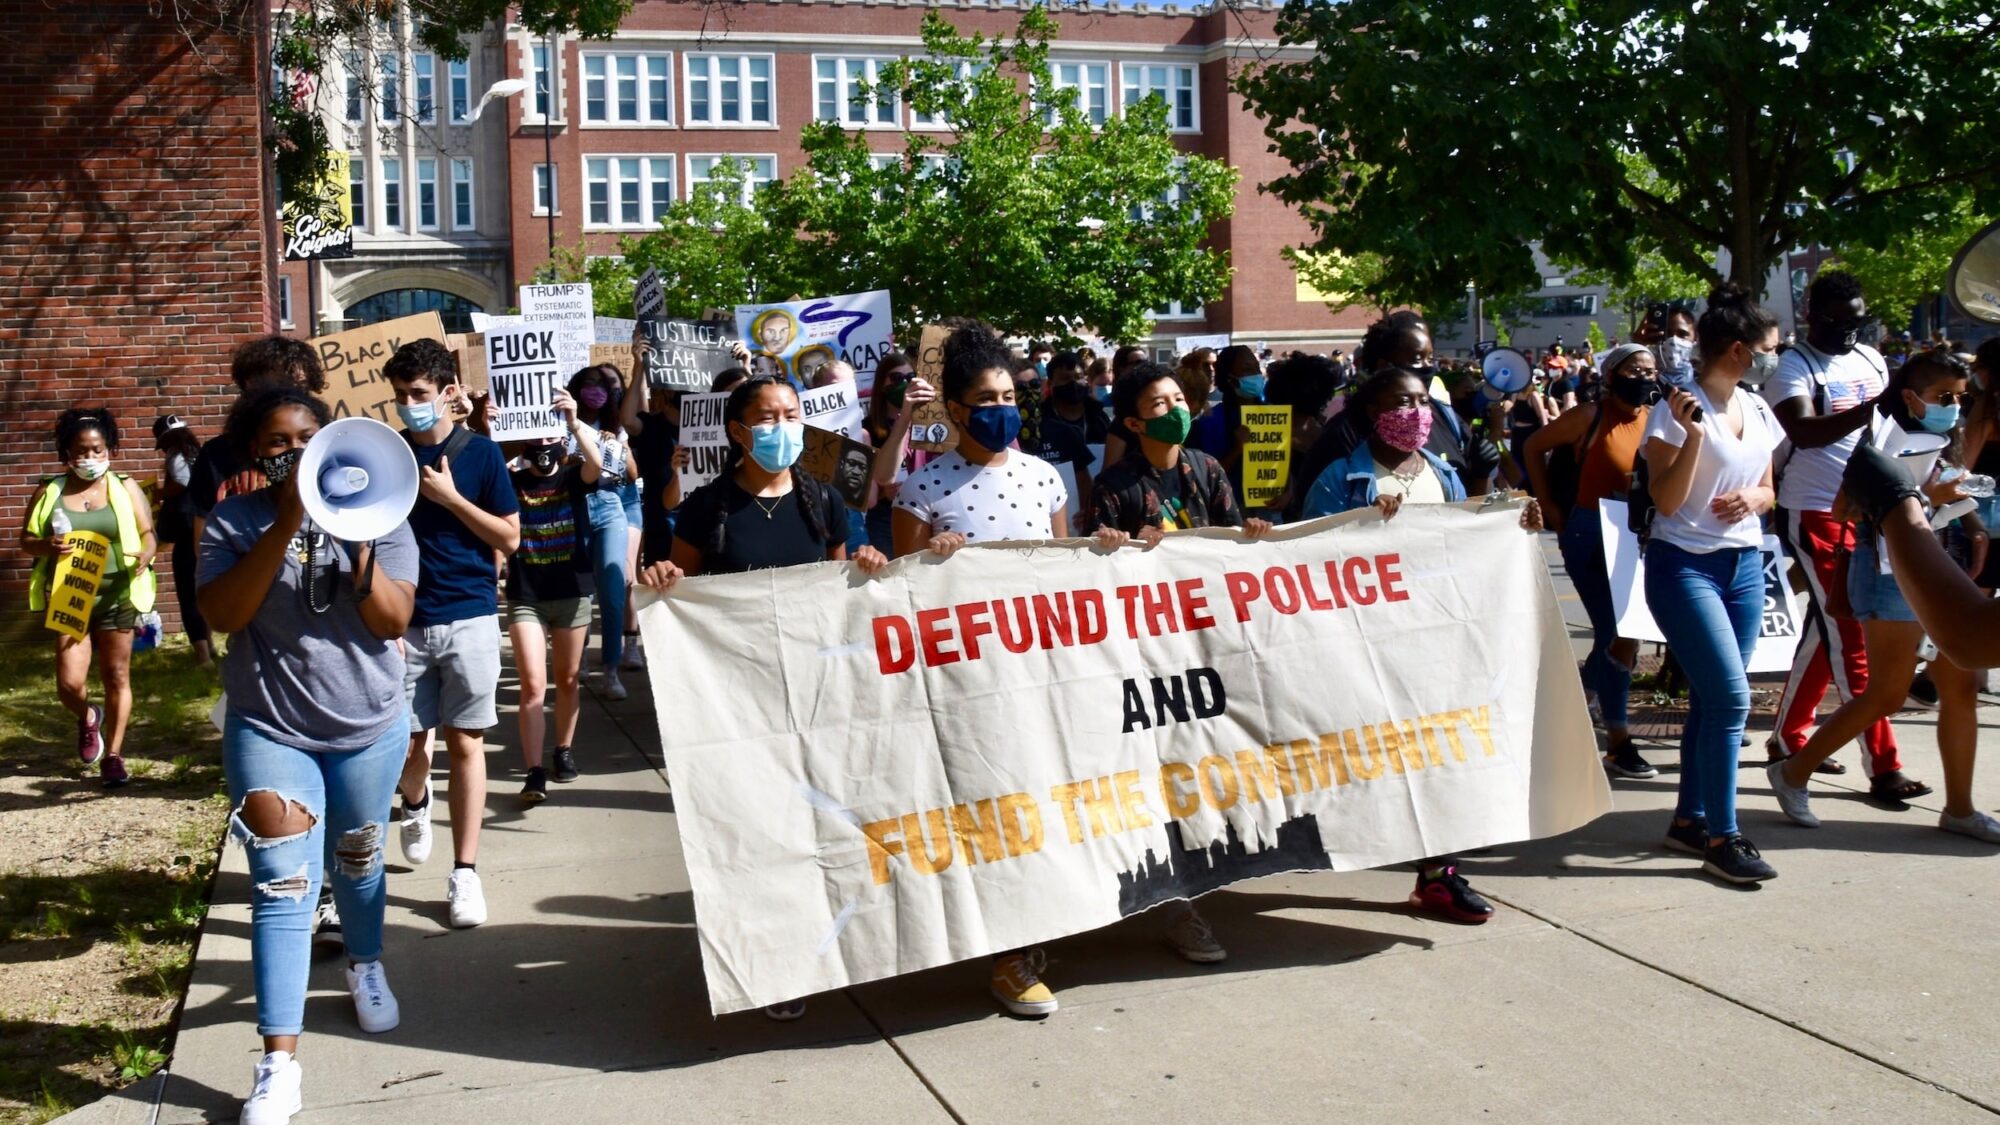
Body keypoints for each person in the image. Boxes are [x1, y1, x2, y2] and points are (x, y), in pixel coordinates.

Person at [196, 387, 419, 1125]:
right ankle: (278, 1063)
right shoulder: (232, 521)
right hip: (272, 726)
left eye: (306, 436)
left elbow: (393, 617)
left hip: (368, 723)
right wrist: (286, 522)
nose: (291, 450)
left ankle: (365, 962)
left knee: (358, 855)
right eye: (275, 441)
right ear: (254, 453)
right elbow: (225, 613)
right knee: (284, 884)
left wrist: (356, 546)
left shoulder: (383, 509)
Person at [637, 376, 888, 1020]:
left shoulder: (823, 501)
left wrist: (863, 564)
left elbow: (836, 590)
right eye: (768, 417)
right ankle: (776, 963)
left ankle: (825, 946)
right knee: (763, 835)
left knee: (820, 824)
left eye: (793, 414)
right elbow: (681, 590)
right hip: (740, 704)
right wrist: (664, 576)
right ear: (739, 431)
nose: (784, 427)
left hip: (811, 694)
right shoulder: (706, 507)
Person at [888, 324, 1073, 1017]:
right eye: (985, 397)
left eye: (1008, 394)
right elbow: (900, 597)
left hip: (1042, 671)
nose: (1001, 406)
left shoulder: (1044, 477)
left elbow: (1063, 570)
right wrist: (934, 562)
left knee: (1043, 803)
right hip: (967, 682)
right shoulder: (922, 487)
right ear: (958, 410)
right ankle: (1005, 955)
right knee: (991, 811)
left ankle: (1035, 933)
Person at [1765, 349, 2000, 842]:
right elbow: (1844, 508)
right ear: (1911, 396)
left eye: (1961, 398)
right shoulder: (1881, 442)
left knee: (1959, 691)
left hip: (1937, 563)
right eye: (1944, 397)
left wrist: (1971, 520)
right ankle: (1793, 771)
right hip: (1889, 571)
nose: (1954, 406)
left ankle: (1959, 808)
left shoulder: (1940, 436)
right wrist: (1920, 501)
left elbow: (1945, 493)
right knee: (1888, 691)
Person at [1090, 361, 1275, 962]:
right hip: (1148, 658)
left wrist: (1247, 533)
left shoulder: (1209, 469)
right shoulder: (1116, 487)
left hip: (1205, 648)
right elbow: (1093, 576)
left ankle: (1200, 880)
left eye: (1178, 399)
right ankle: (1174, 904)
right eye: (1158, 404)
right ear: (1131, 421)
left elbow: (1225, 549)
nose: (1174, 410)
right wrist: (1114, 552)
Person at [1639, 284, 1785, 884]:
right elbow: (1666, 502)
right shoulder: (1675, 411)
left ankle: (1689, 820)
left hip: (1745, 567)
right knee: (1730, 700)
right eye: (1770, 348)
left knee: (1711, 697)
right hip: (1684, 567)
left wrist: (1756, 496)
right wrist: (1694, 437)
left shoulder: (1756, 407)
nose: (1776, 356)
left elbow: (1770, 488)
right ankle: (1724, 836)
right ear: (1737, 350)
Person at [1759, 271, 1925, 800]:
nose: (1851, 331)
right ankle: (1883, 765)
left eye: (1858, 320)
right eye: (1840, 321)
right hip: (1813, 511)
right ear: (1814, 316)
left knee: (1826, 627)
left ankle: (1788, 735)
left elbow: (1886, 427)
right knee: (1851, 636)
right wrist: (1873, 407)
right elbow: (1803, 431)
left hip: (1869, 509)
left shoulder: (1872, 359)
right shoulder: (1793, 366)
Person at [383, 339, 521, 929]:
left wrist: (451, 498)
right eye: (399, 396)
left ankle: (465, 872)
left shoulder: (482, 456)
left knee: (466, 742)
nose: (408, 405)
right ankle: (415, 802)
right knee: (410, 745)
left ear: (446, 392)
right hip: (406, 624)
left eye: (417, 395)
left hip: (468, 613)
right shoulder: (387, 457)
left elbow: (509, 538)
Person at [1522, 344, 1660, 778]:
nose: (1643, 377)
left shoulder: (1658, 419)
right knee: (1619, 631)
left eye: (1650, 370)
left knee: (1623, 633)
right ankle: (1615, 737)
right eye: (1634, 369)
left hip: (1639, 534)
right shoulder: (1588, 416)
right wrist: (1549, 505)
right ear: (1613, 374)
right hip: (1589, 532)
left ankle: (1580, 696)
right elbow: (1532, 448)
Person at [20, 409, 158, 788]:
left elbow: (148, 532)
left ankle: (113, 755)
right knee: (68, 683)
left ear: (109, 448)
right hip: (71, 597)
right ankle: (87, 716)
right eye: (82, 452)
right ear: (67, 453)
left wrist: (147, 553)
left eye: (97, 449)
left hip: (117, 594)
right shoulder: (50, 490)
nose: (91, 458)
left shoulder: (125, 486)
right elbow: (25, 540)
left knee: (116, 675)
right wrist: (46, 546)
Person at [506, 389, 602, 804]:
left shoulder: (572, 477)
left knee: (566, 679)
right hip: (526, 594)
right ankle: (534, 771)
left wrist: (574, 422)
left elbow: (597, 466)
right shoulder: (508, 482)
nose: (543, 447)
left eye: (550, 439)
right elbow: (479, 467)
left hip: (570, 591)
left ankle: (563, 749)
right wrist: (484, 423)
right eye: (536, 440)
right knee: (532, 685)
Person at [188, 336, 327, 541]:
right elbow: (203, 531)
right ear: (251, 383)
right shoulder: (217, 454)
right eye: (283, 384)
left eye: (301, 386)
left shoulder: (326, 448)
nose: (292, 394)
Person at [566, 364, 639, 698]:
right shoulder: (561, 423)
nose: (596, 391)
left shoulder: (614, 427)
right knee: (581, 593)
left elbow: (633, 474)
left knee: (612, 592)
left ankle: (611, 672)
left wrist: (619, 450)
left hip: (610, 507)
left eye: (602, 386)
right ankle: (578, 658)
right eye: (589, 384)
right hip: (574, 509)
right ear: (576, 389)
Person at [153, 414, 212, 665]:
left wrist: (160, 493)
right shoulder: (199, 454)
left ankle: (202, 656)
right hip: (206, 526)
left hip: (186, 531)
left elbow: (180, 482)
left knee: (187, 592)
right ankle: (210, 646)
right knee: (202, 589)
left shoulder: (176, 455)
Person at [1034, 351, 1104, 526]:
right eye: (1066, 378)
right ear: (1051, 383)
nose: (1073, 383)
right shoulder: (1040, 423)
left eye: (1078, 377)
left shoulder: (1100, 417)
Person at [862, 353, 922, 553]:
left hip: (921, 511)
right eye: (897, 378)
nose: (904, 383)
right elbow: (860, 485)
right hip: (884, 518)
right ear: (882, 385)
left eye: (910, 377)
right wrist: (882, 493)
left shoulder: (927, 423)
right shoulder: (866, 428)